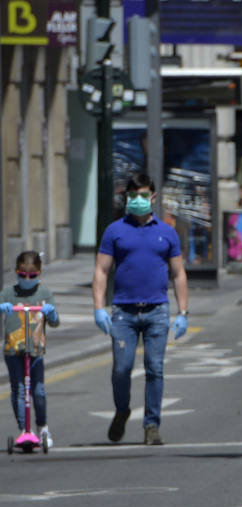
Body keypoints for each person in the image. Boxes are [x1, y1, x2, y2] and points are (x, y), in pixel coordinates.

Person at [91, 173, 190, 445]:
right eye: (132, 195)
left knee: (155, 368)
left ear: (154, 197)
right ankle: (122, 410)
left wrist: (183, 313)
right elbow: (101, 270)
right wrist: (99, 308)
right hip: (123, 311)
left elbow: (179, 274)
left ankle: (151, 425)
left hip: (157, 310)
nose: (137, 200)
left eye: (143, 195)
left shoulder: (167, 233)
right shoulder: (115, 231)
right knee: (121, 369)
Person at [1, 250, 59, 447]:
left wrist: (50, 313)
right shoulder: (9, 293)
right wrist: (3, 307)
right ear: (16, 272)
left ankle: (42, 427)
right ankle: (25, 429)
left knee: (38, 390)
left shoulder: (44, 293)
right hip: (13, 350)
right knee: (18, 389)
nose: (27, 279)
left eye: (32, 275)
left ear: (39, 273)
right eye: (22, 274)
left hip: (35, 350)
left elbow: (55, 322)